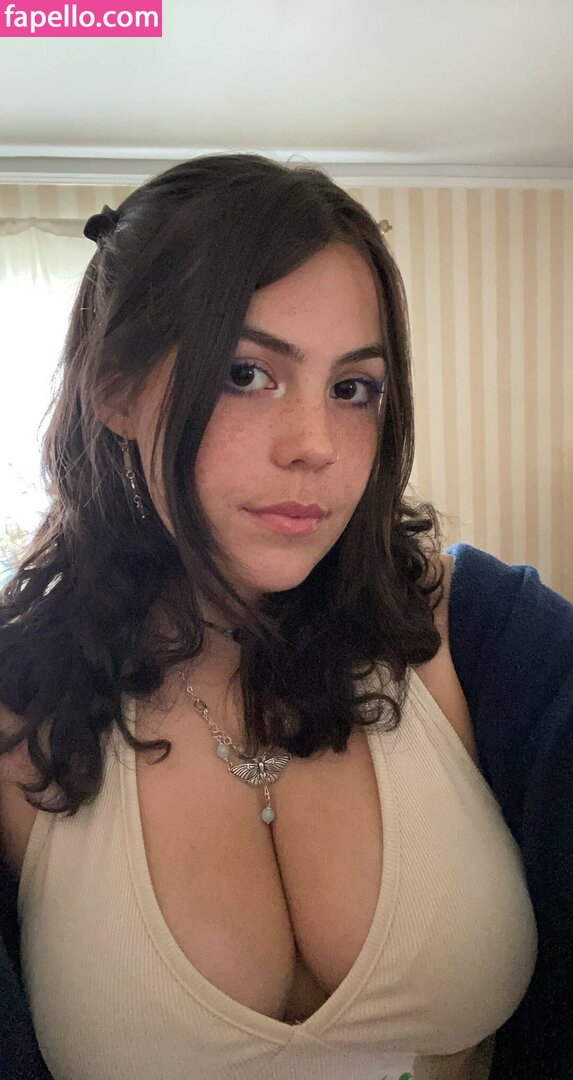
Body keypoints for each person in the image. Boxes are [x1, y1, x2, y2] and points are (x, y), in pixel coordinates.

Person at [0, 153, 570, 1080]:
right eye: (244, 372)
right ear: (115, 388)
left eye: (353, 389)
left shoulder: (476, 630)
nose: (315, 446)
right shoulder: (19, 701)